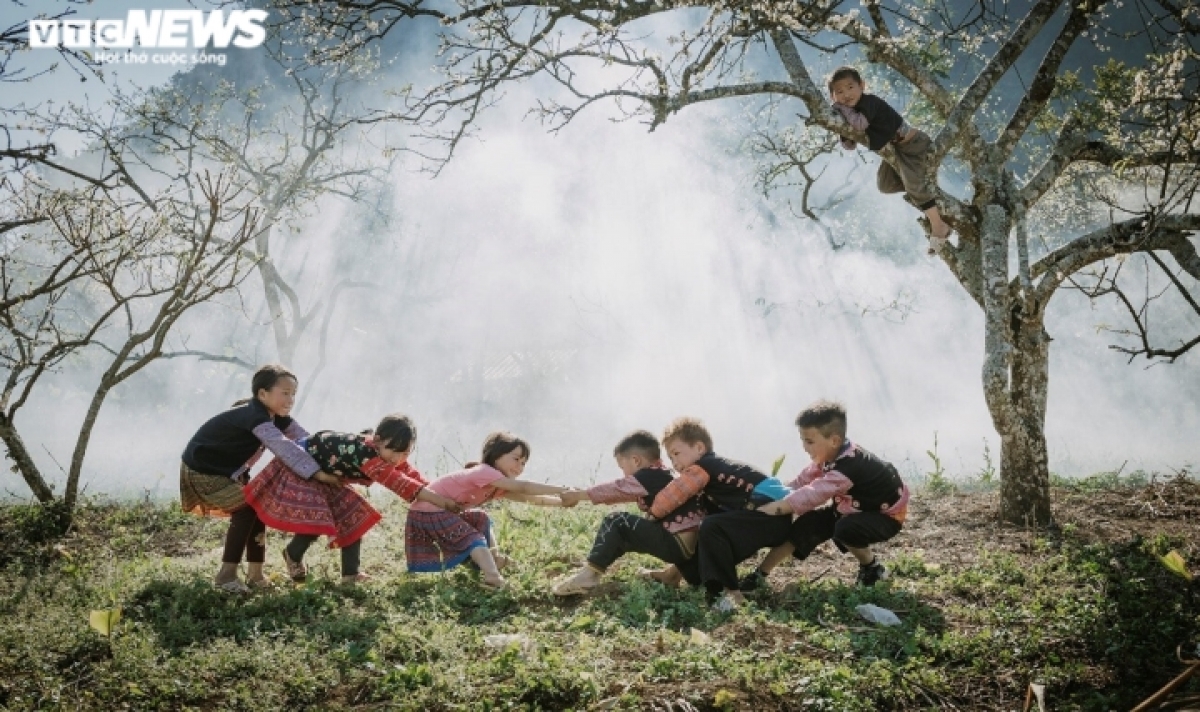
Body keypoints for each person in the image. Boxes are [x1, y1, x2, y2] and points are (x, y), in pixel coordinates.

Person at [243, 413, 462, 585]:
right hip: (304, 469)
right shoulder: (368, 456)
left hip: (328, 476)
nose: (398, 459)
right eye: (394, 452)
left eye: (405, 453)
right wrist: (442, 502)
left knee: (353, 515)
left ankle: (351, 574)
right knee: (317, 518)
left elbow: (410, 475)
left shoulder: (387, 455)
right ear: (377, 441)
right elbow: (401, 484)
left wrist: (438, 492)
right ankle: (293, 554)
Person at [180, 364, 339, 593]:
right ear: (262, 394)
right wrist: (319, 473)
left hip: (225, 470)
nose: (291, 399)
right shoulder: (255, 416)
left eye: (293, 394)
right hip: (204, 470)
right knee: (247, 509)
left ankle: (255, 575)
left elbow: (306, 440)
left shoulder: (276, 417)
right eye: (285, 393)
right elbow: (284, 448)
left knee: (256, 508)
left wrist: (334, 455)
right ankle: (226, 576)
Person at [751, 400, 909, 590]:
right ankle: (759, 575)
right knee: (804, 526)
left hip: (885, 516)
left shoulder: (847, 468)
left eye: (809, 441)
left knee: (845, 529)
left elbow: (811, 495)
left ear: (834, 440)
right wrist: (776, 492)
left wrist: (772, 508)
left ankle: (872, 567)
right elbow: (803, 480)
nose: (804, 447)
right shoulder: (831, 455)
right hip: (850, 507)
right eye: (802, 441)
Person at [645, 417, 792, 611]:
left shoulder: (704, 467)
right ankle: (673, 575)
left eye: (676, 453)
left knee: (712, 527)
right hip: (758, 522)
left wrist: (653, 515)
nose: (674, 463)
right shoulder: (710, 482)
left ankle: (731, 594)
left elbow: (674, 493)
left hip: (768, 514)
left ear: (699, 448)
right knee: (704, 536)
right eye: (670, 458)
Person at [405, 432, 572, 589]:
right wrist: (563, 490)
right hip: (428, 512)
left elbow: (529, 498)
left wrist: (561, 502)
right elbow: (525, 487)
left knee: (480, 518)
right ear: (496, 455)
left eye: (523, 463)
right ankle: (492, 577)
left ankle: (494, 557)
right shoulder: (484, 472)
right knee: (473, 538)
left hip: (443, 512)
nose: (520, 467)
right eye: (516, 459)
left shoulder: (498, 484)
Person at [551, 430, 708, 596]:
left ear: (636, 460)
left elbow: (617, 489)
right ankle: (671, 575)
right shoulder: (662, 473)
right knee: (625, 534)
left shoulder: (648, 476)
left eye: (623, 467)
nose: (623, 474)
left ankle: (588, 575)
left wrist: (579, 495)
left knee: (617, 521)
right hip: (691, 552)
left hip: (675, 545)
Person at [829, 65, 953, 254]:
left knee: (914, 185)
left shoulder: (869, 102)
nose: (846, 94)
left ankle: (939, 225)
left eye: (850, 87)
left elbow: (860, 125)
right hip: (896, 151)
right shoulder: (849, 112)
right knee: (885, 185)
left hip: (914, 146)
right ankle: (923, 190)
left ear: (862, 85)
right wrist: (840, 121)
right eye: (839, 91)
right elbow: (849, 145)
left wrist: (840, 109)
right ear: (833, 97)